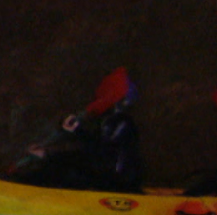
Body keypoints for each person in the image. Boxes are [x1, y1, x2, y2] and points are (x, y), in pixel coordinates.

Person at [13, 68, 143, 192]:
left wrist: (49, 155)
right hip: (109, 181)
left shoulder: (120, 123)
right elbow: (95, 151)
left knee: (60, 172)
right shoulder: (112, 122)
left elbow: (99, 156)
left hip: (114, 186)